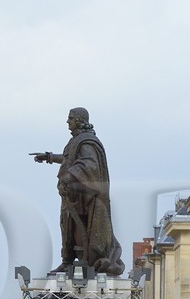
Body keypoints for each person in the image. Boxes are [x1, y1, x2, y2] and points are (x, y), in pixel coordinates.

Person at [31, 107, 125, 276]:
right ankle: (67, 262)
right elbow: (70, 159)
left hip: (85, 197)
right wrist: (50, 157)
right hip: (73, 195)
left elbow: (88, 164)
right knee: (67, 227)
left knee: (79, 230)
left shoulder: (87, 141)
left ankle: (83, 261)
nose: (68, 122)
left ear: (80, 120)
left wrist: (68, 177)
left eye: (71, 118)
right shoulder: (76, 140)